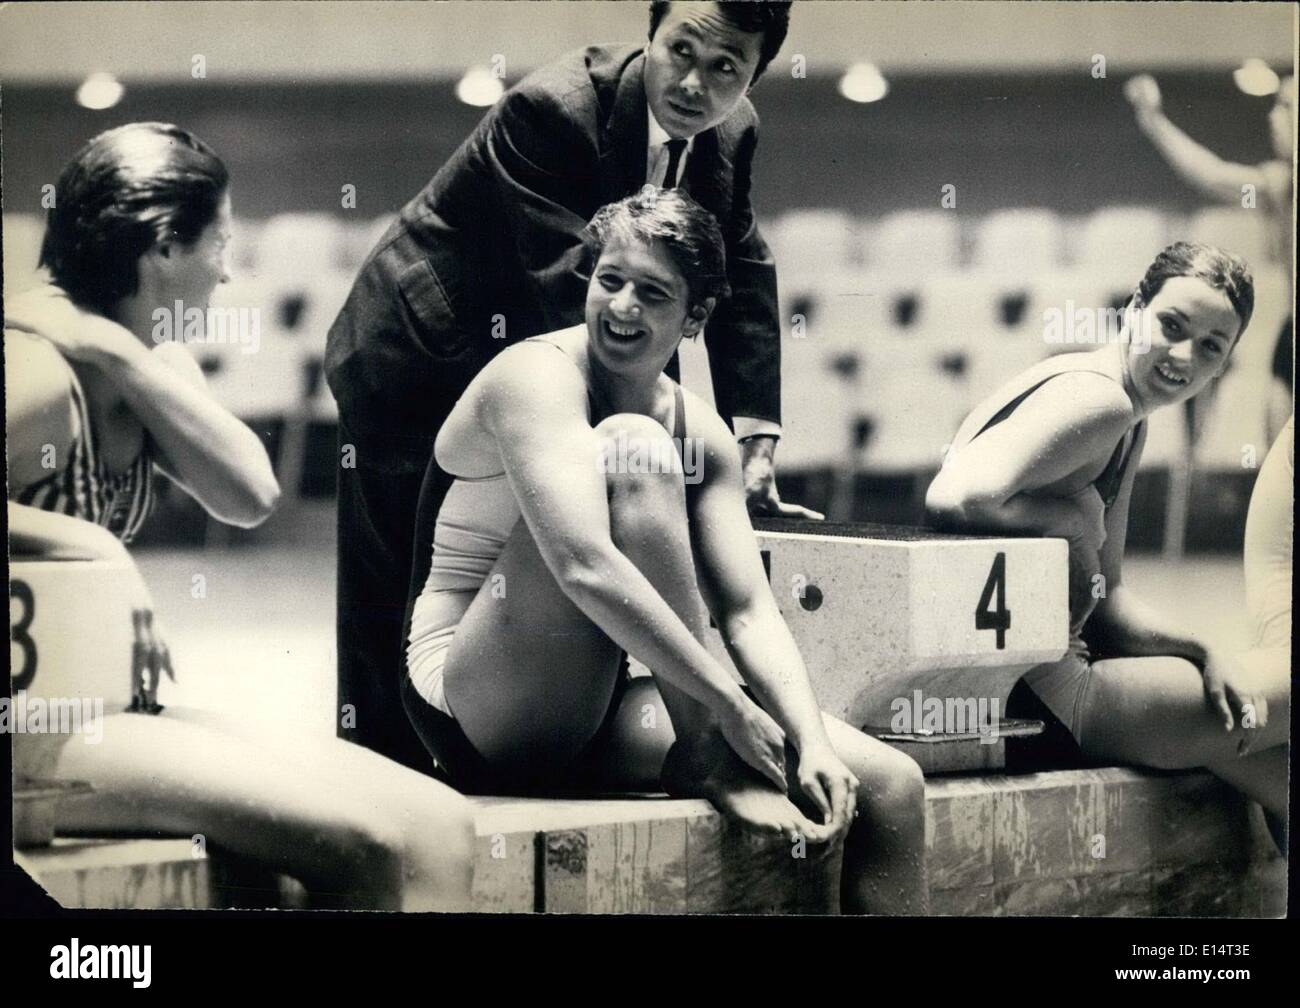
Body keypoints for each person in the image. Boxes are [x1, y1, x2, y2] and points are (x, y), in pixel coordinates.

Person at [326, 1, 820, 774]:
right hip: (420, 348)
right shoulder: (550, 109)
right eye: (679, 50)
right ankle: (373, 774)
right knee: (396, 581)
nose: (693, 83)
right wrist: (669, 442)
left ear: (757, 73)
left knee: (580, 518)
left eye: (725, 67)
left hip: (538, 338)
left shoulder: (734, 129)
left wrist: (751, 434)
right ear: (649, 34)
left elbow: (736, 259)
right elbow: (592, 290)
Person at [402, 188, 927, 914]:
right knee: (636, 451)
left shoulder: (701, 429)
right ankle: (706, 749)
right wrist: (724, 713)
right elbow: (582, 567)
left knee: (888, 786)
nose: (621, 307)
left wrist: (808, 738)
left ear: (696, 318)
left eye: (652, 294)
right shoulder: (535, 378)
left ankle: (714, 744)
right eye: (609, 280)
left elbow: (746, 611)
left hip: (617, 692)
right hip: (478, 694)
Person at [5, 123, 475, 911]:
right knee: (362, 846)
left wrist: (123, 358)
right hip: (31, 732)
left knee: (441, 825)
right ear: (162, 245)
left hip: (110, 716)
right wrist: (83, 544)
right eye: (219, 244)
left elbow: (248, 495)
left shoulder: (136, 354)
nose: (226, 274)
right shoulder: (34, 374)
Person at [926, 242, 1288, 825]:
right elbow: (953, 495)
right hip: (1044, 700)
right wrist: (1063, 523)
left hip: (1034, 686)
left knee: (1281, 777)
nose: (1183, 356)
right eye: (1172, 325)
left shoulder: (1124, 417)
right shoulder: (1103, 401)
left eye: (1210, 348)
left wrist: (1202, 649)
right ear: (1134, 306)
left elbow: (1107, 597)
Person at [1126, 73, 1295, 444]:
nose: (1272, 117)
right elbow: (1212, 175)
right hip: (1291, 338)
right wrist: (1154, 120)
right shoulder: (1280, 184)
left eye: (1285, 106)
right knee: (1279, 465)